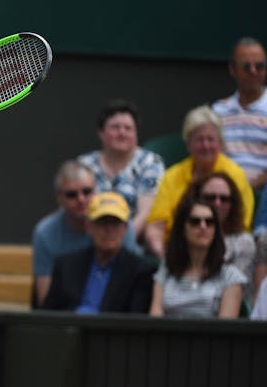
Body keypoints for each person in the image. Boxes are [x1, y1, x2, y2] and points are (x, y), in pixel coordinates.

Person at [145, 105, 254, 259]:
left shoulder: (235, 175)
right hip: (177, 252)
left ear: (221, 144)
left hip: (224, 252)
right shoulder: (172, 176)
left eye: (211, 139)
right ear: (188, 144)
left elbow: (241, 224)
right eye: (199, 139)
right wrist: (164, 259)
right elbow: (156, 227)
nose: (206, 145)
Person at [32, 160, 140, 307]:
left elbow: (133, 279)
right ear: (59, 198)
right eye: (72, 194)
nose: (81, 199)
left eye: (87, 191)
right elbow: (46, 302)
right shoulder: (45, 233)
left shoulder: (122, 226)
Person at [40, 192, 154, 313]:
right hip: (70, 329)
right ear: (89, 226)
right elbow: (49, 314)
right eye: (103, 222)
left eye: (115, 223)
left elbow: (135, 322)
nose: (109, 230)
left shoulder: (140, 271)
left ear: (125, 228)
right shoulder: (66, 265)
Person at [77, 99, 165, 237]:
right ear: (101, 132)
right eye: (115, 127)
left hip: (134, 243)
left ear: (136, 133)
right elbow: (77, 209)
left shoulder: (150, 163)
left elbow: (145, 213)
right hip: (89, 240)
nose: (122, 133)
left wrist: (121, 243)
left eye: (128, 128)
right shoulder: (84, 165)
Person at [149, 196, 244, 319]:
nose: (203, 226)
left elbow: (226, 332)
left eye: (209, 222)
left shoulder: (231, 276)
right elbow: (155, 320)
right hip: (168, 337)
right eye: (195, 221)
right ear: (182, 228)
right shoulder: (166, 270)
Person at [211, 37, 267, 193]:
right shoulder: (218, 111)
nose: (253, 71)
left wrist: (251, 186)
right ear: (232, 70)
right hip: (224, 191)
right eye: (246, 67)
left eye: (260, 66)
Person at [192, 172, 256, 308]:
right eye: (210, 197)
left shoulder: (244, 242)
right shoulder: (185, 236)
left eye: (224, 199)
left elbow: (239, 291)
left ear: (232, 204)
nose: (217, 203)